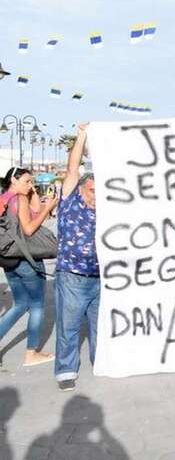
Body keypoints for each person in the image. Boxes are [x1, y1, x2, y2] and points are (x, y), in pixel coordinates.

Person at [54, 124, 98, 392]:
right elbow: (72, 169)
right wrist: (82, 136)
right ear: (81, 189)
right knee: (68, 327)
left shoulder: (107, 208)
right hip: (72, 275)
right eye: (92, 190)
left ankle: (101, 362)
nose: (96, 196)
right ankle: (66, 371)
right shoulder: (70, 200)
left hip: (101, 276)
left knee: (99, 325)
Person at [0, 167, 58, 368]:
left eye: (32, 181)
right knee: (37, 305)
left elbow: (33, 211)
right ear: (13, 181)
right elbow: (30, 229)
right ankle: (31, 354)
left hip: (9, 258)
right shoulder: (19, 199)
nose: (30, 185)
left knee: (20, 304)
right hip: (27, 258)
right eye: (26, 181)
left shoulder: (4, 198)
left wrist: (32, 191)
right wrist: (48, 208)